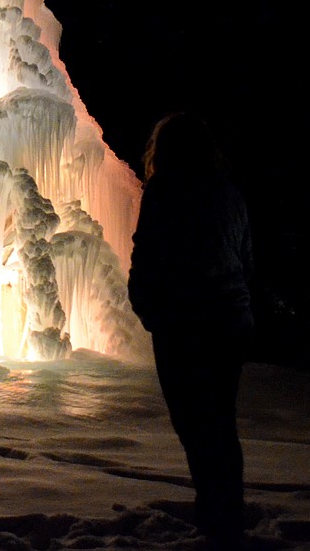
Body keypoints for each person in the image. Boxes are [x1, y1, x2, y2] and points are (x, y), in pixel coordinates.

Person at [127, 112, 254, 544]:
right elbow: (246, 260)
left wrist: (149, 310)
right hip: (228, 324)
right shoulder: (229, 193)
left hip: (183, 324)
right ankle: (226, 516)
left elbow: (148, 255)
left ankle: (216, 521)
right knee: (220, 422)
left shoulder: (166, 189)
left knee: (194, 424)